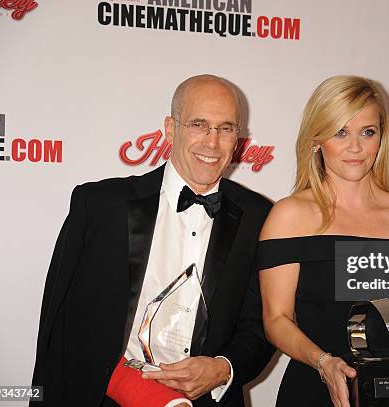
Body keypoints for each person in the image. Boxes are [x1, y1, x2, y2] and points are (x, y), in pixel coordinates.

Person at [31, 75, 275, 407]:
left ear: (238, 139)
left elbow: (263, 324)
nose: (213, 143)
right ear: (171, 129)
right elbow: (59, 324)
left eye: (226, 128)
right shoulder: (100, 206)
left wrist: (222, 369)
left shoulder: (259, 216)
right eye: (199, 125)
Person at [257, 75, 389, 407]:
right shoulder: (289, 217)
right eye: (340, 132)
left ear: (381, 138)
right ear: (316, 139)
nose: (356, 147)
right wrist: (323, 362)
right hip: (315, 389)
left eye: (367, 132)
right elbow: (276, 319)